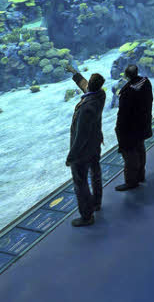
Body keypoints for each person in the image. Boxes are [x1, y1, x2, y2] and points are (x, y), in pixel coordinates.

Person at [65, 67, 106, 227]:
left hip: (84, 151)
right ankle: (97, 202)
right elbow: (85, 86)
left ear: (91, 85)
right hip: (95, 143)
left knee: (80, 182)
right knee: (96, 172)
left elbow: (81, 136)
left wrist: (71, 156)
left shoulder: (87, 108)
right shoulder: (100, 95)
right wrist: (75, 74)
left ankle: (87, 216)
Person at [115, 63, 153, 191]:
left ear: (126, 76)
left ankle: (131, 181)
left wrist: (119, 129)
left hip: (130, 128)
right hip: (143, 123)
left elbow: (123, 114)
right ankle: (141, 175)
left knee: (130, 154)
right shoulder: (146, 83)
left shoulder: (127, 92)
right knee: (140, 149)